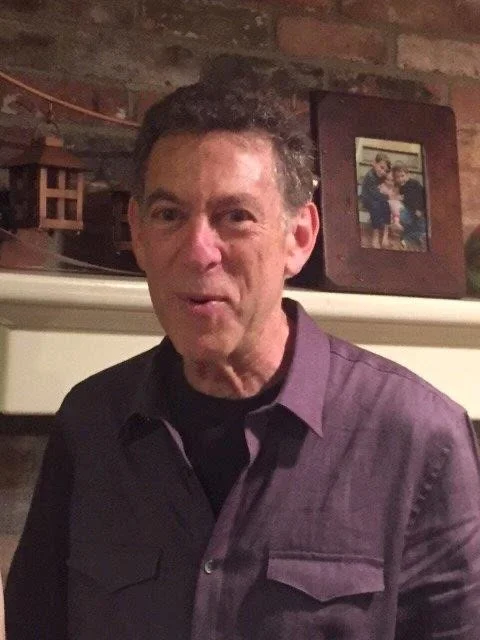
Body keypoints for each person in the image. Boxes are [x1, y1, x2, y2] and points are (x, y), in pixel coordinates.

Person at [5, 80, 480, 640]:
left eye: (235, 216)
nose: (198, 251)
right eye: (168, 214)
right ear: (138, 233)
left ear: (298, 237)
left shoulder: (420, 438)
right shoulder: (90, 423)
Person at [392, 161, 427, 250]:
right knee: (404, 219)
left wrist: (419, 209)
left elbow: (421, 197)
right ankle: (411, 237)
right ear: (394, 178)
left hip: (419, 211)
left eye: (402, 176)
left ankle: (411, 238)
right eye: (397, 177)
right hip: (409, 212)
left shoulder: (414, 184)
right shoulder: (398, 188)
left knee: (422, 226)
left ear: (408, 175)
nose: (400, 179)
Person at [360, 152, 391, 249]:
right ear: (374, 163)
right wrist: (387, 196)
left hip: (378, 199)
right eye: (381, 167)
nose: (383, 172)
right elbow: (375, 195)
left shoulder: (382, 176)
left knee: (386, 205)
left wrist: (387, 196)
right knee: (376, 206)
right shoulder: (370, 176)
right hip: (367, 199)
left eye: (385, 170)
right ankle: (375, 234)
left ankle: (386, 233)